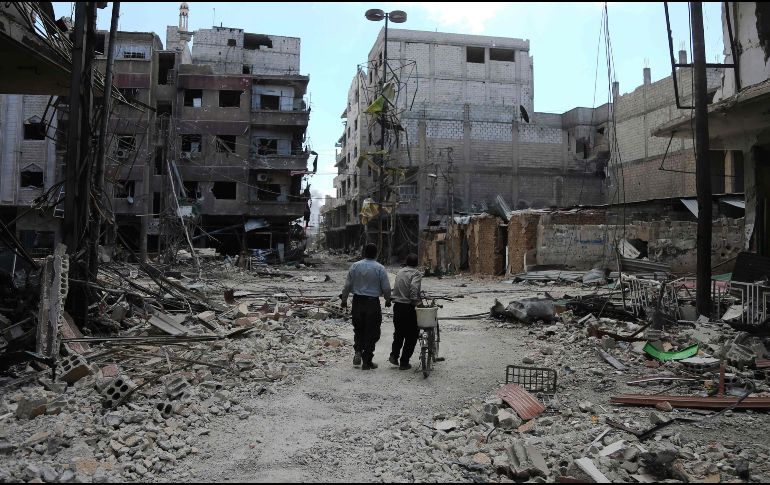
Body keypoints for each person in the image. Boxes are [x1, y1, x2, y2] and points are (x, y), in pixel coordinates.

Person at [340, 243, 392, 370]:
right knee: (372, 331)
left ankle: (358, 350)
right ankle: (367, 361)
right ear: (376, 254)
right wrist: (388, 299)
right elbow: (386, 287)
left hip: (357, 302)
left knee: (358, 328)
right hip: (372, 303)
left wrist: (344, 300)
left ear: (364, 253)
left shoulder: (355, 266)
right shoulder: (380, 268)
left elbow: (347, 286)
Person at [388, 253, 422, 370]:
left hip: (397, 306)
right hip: (408, 307)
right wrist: (417, 302)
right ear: (416, 264)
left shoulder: (400, 272)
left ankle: (394, 355)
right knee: (411, 335)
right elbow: (413, 288)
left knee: (398, 333)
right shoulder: (416, 273)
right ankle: (404, 362)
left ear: (406, 262)